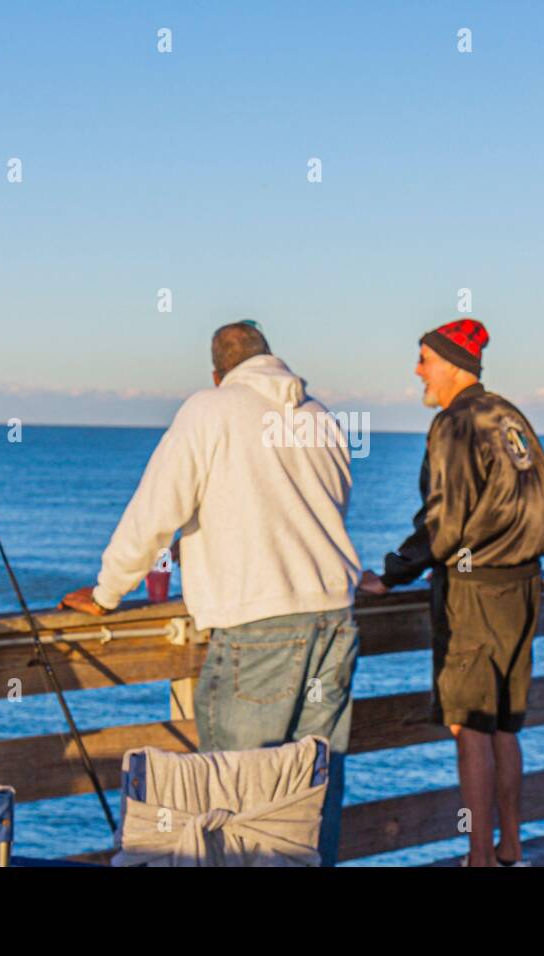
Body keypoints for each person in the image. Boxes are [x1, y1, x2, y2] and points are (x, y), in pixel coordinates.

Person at [61, 322, 361, 866]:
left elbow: (155, 512)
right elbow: (314, 511)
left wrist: (108, 593)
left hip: (257, 626)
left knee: (234, 792)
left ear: (218, 373)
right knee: (313, 785)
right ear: (271, 360)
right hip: (334, 618)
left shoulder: (211, 408)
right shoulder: (319, 417)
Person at [359, 319, 544, 867]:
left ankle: (478, 857)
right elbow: (542, 491)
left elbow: (443, 521)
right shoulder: (508, 416)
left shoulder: (456, 422)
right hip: (524, 583)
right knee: (505, 723)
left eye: (424, 358)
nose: (417, 369)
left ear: (449, 365)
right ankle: (509, 844)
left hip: (474, 592)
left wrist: (393, 573)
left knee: (469, 723)